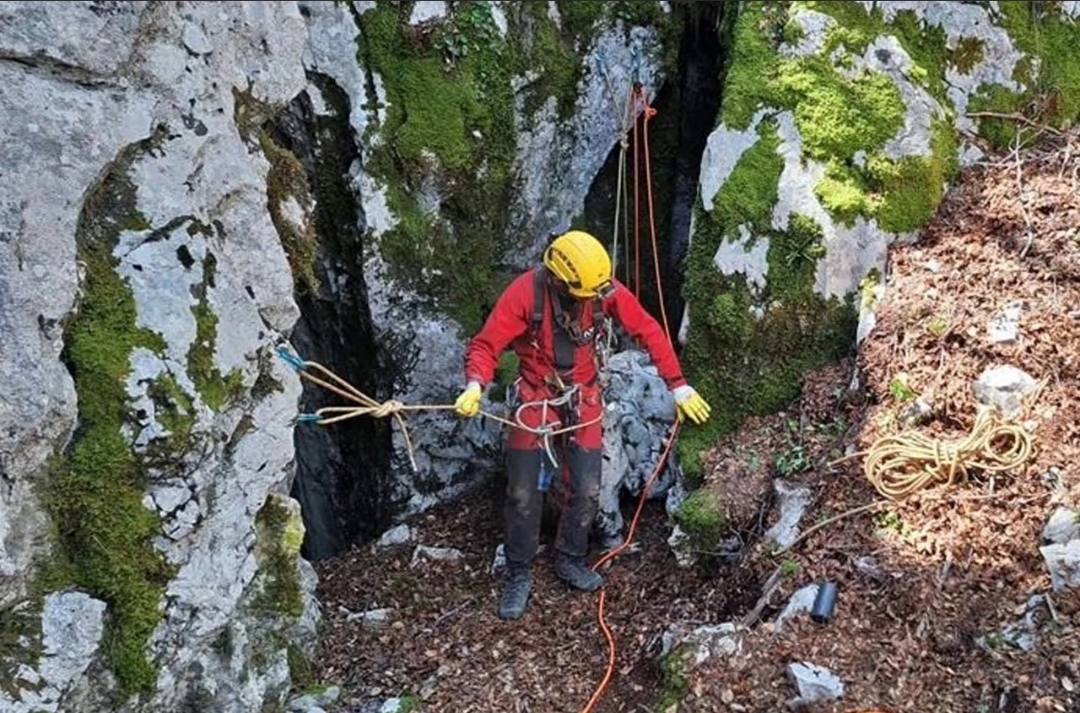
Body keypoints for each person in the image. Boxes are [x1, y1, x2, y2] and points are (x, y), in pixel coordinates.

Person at [453, 230, 711, 620]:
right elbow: (486, 345)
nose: (592, 301)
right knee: (523, 492)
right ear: (558, 280)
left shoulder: (600, 288)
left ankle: (570, 557)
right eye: (584, 296)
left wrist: (678, 385)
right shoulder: (525, 293)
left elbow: (648, 330)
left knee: (589, 488)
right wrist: (475, 383)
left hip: (585, 396)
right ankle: (518, 572)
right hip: (536, 397)